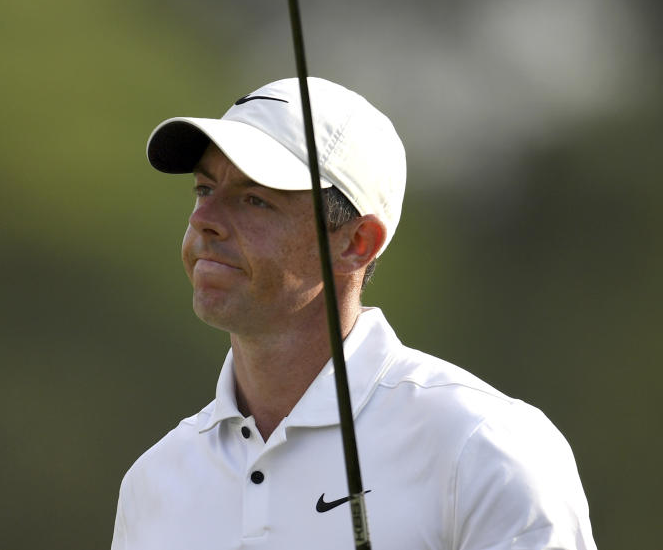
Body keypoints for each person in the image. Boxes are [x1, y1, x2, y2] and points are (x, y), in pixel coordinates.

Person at [111, 77, 597, 550]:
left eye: (254, 199)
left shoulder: (483, 445)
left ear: (356, 244)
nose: (204, 221)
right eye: (204, 190)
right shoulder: (153, 482)